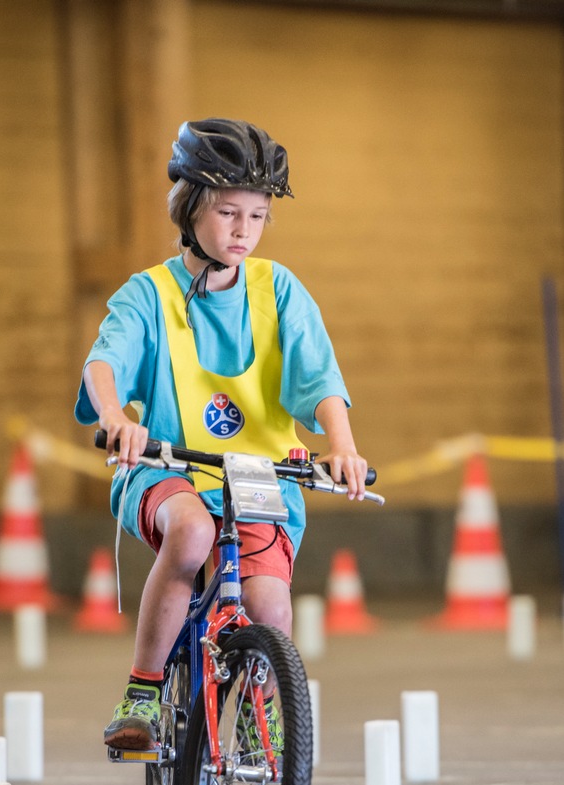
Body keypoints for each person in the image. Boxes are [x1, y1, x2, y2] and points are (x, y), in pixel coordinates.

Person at [75, 117, 368, 751]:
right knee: (192, 532)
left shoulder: (278, 289)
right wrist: (116, 416)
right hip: (165, 469)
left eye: (258, 216)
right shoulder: (147, 294)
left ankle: (255, 709)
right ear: (188, 209)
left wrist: (342, 444)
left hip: (259, 478)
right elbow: (104, 362)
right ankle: (144, 692)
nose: (243, 230)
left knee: (271, 609)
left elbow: (321, 377)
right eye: (228, 212)